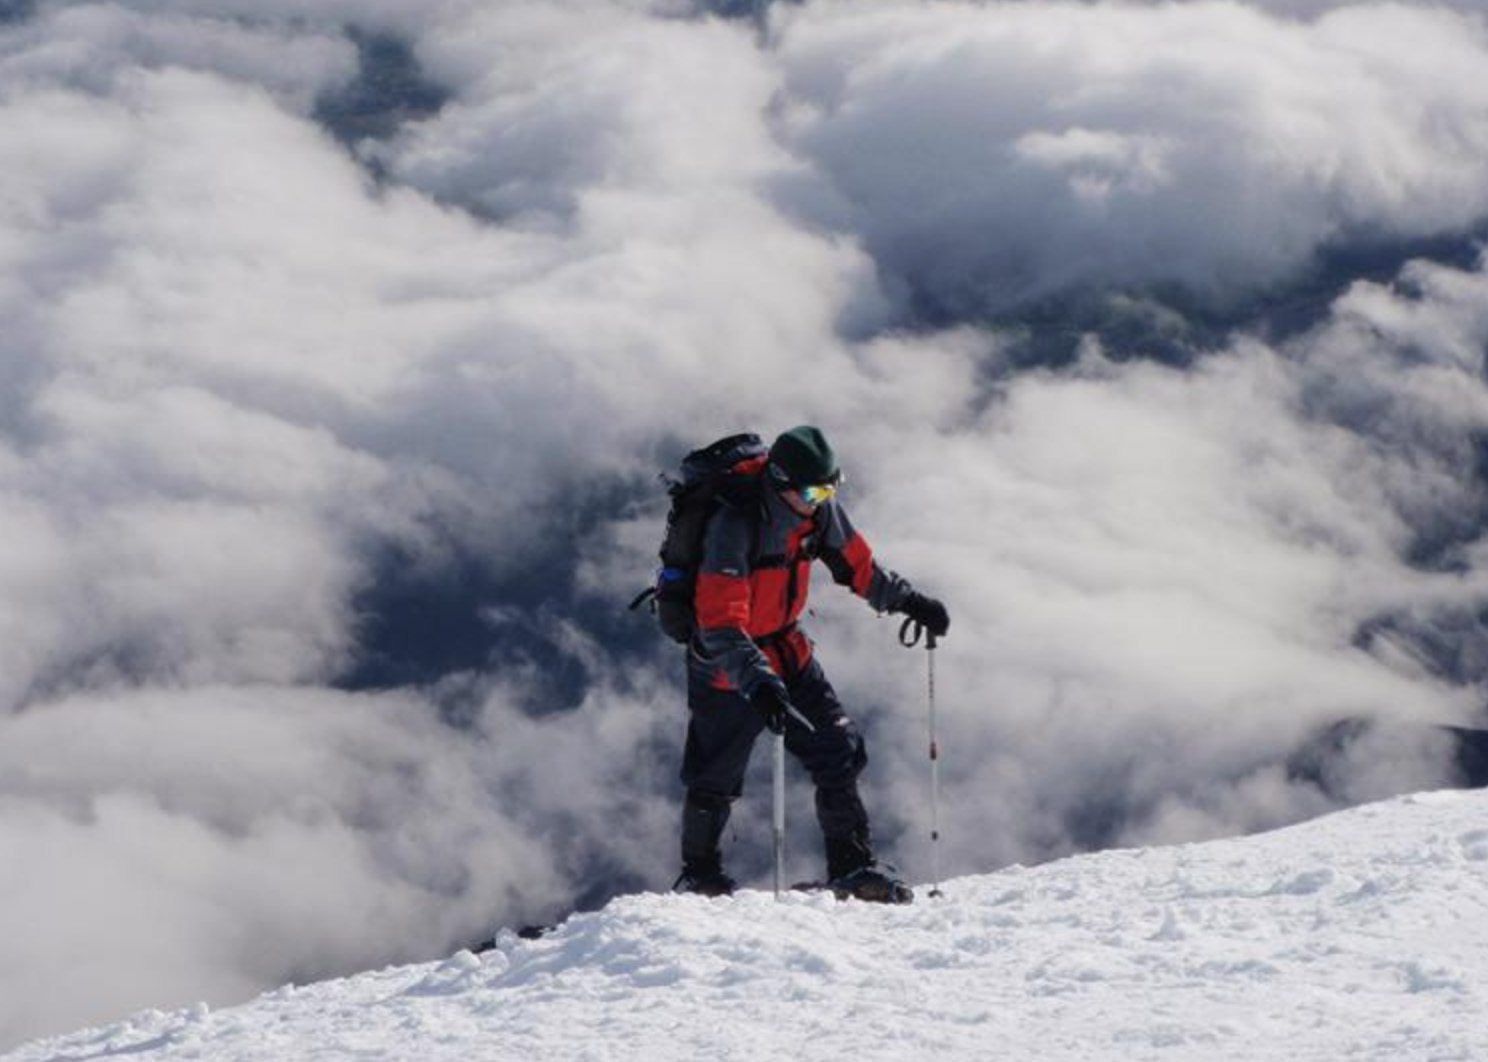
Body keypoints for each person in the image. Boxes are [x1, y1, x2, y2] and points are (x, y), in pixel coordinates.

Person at [675, 425, 950, 903]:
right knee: (716, 776)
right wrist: (757, 681)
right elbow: (719, 624)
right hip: (726, 665)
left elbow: (857, 564)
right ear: (780, 482)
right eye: (812, 491)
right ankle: (702, 878)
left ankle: (853, 868)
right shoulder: (733, 525)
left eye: (830, 488)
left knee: (838, 749)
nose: (821, 499)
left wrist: (909, 601)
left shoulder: (815, 513)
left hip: (786, 650)